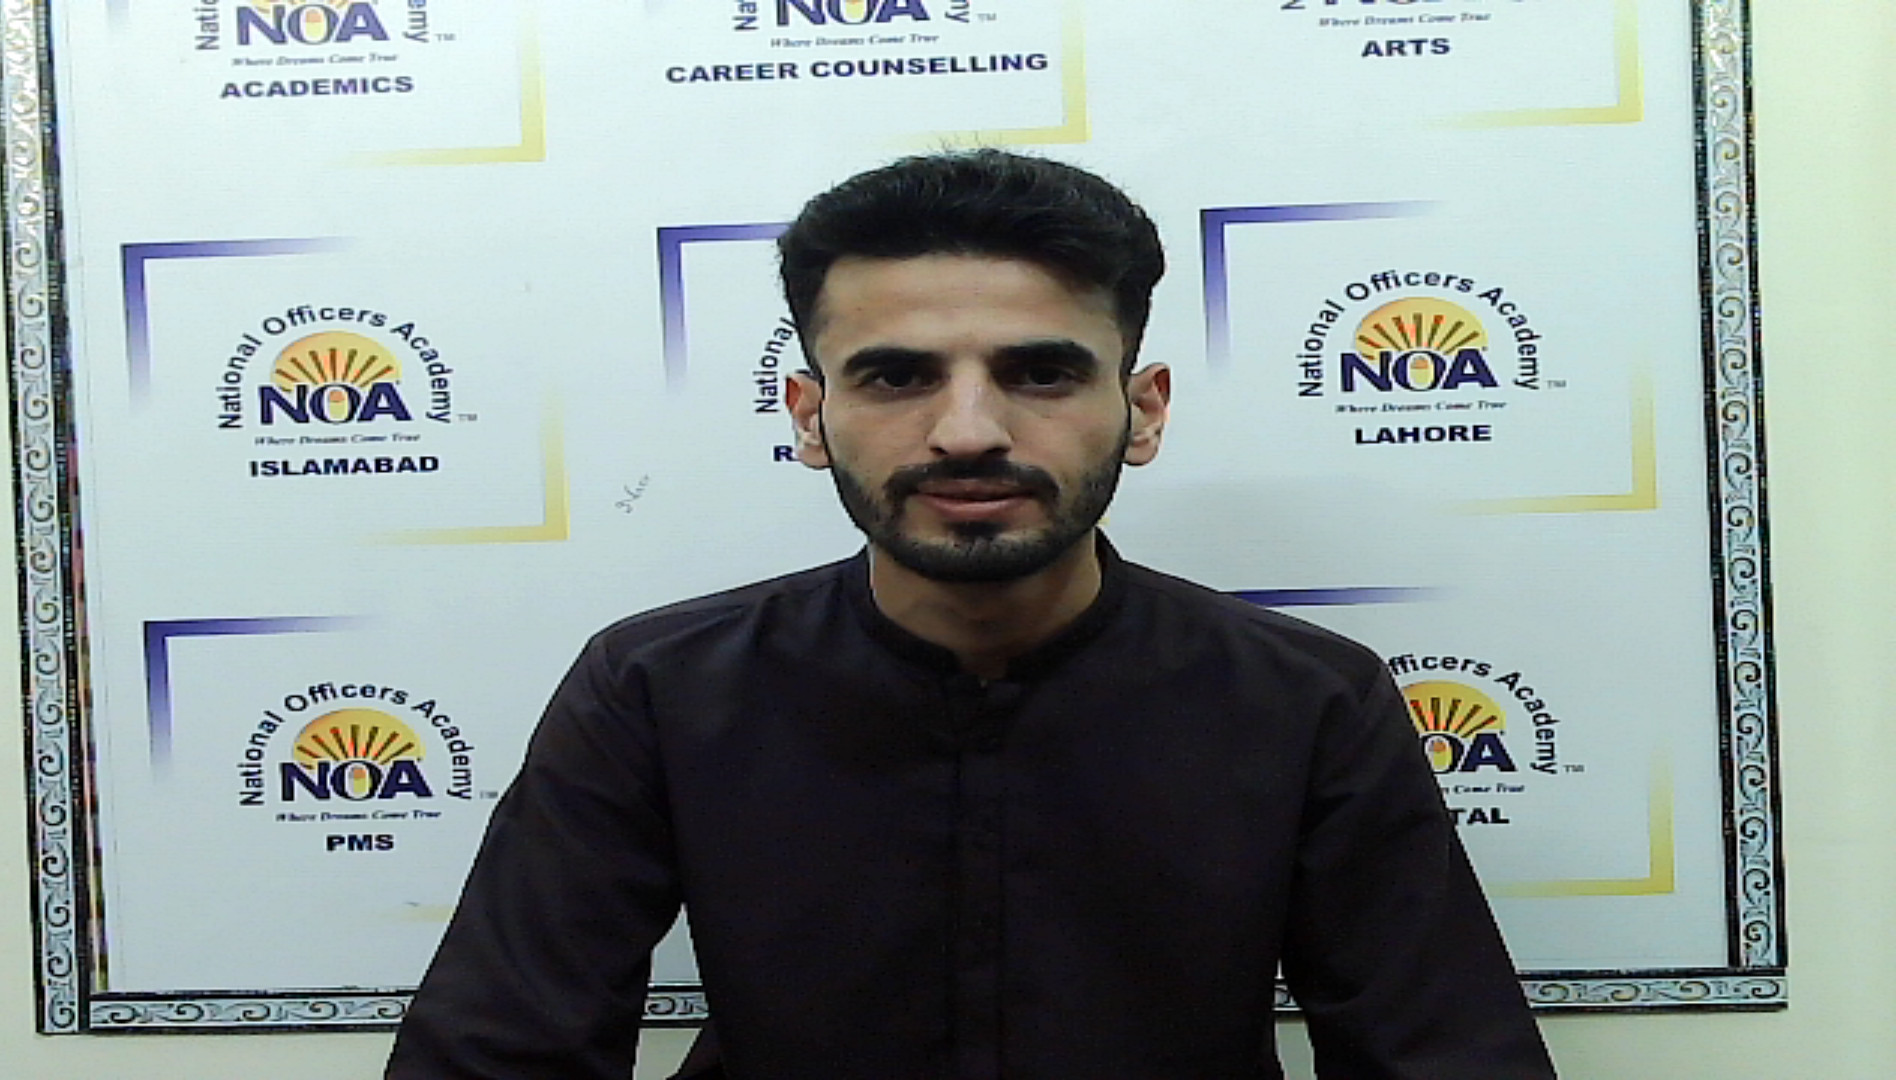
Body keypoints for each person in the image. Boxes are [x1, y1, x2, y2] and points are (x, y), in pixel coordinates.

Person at [386, 150, 1555, 1079]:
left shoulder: (1306, 701)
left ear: (1144, 410)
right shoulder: (656, 690)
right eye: (897, 377)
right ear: (810, 415)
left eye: (1041, 373)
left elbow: (1443, 1055)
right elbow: (498, 1055)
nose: (968, 432)